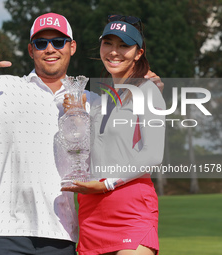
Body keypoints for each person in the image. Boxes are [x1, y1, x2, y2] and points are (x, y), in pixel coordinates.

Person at [0, 12, 163, 255]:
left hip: (62, 231)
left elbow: (131, 148)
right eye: (40, 43)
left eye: (58, 42)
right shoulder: (4, 87)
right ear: (30, 49)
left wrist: (144, 86)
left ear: (72, 47)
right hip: (4, 229)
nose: (49, 48)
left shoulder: (92, 101)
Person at [62, 15, 166, 255]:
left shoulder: (147, 90)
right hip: (92, 211)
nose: (114, 52)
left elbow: (153, 155)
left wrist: (107, 184)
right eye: (108, 43)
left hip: (131, 210)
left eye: (124, 45)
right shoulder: (100, 98)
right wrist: (75, 119)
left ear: (138, 53)